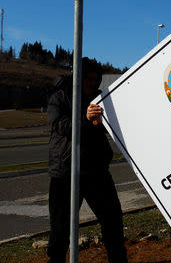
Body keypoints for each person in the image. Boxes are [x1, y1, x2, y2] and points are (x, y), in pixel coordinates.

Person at [47, 59, 127, 263]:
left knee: (113, 220)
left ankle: (118, 260)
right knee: (60, 227)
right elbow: (62, 126)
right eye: (88, 79)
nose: (92, 83)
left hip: (96, 171)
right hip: (65, 173)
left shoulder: (100, 99)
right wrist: (85, 117)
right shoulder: (60, 97)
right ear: (78, 78)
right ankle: (56, 260)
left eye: (95, 79)